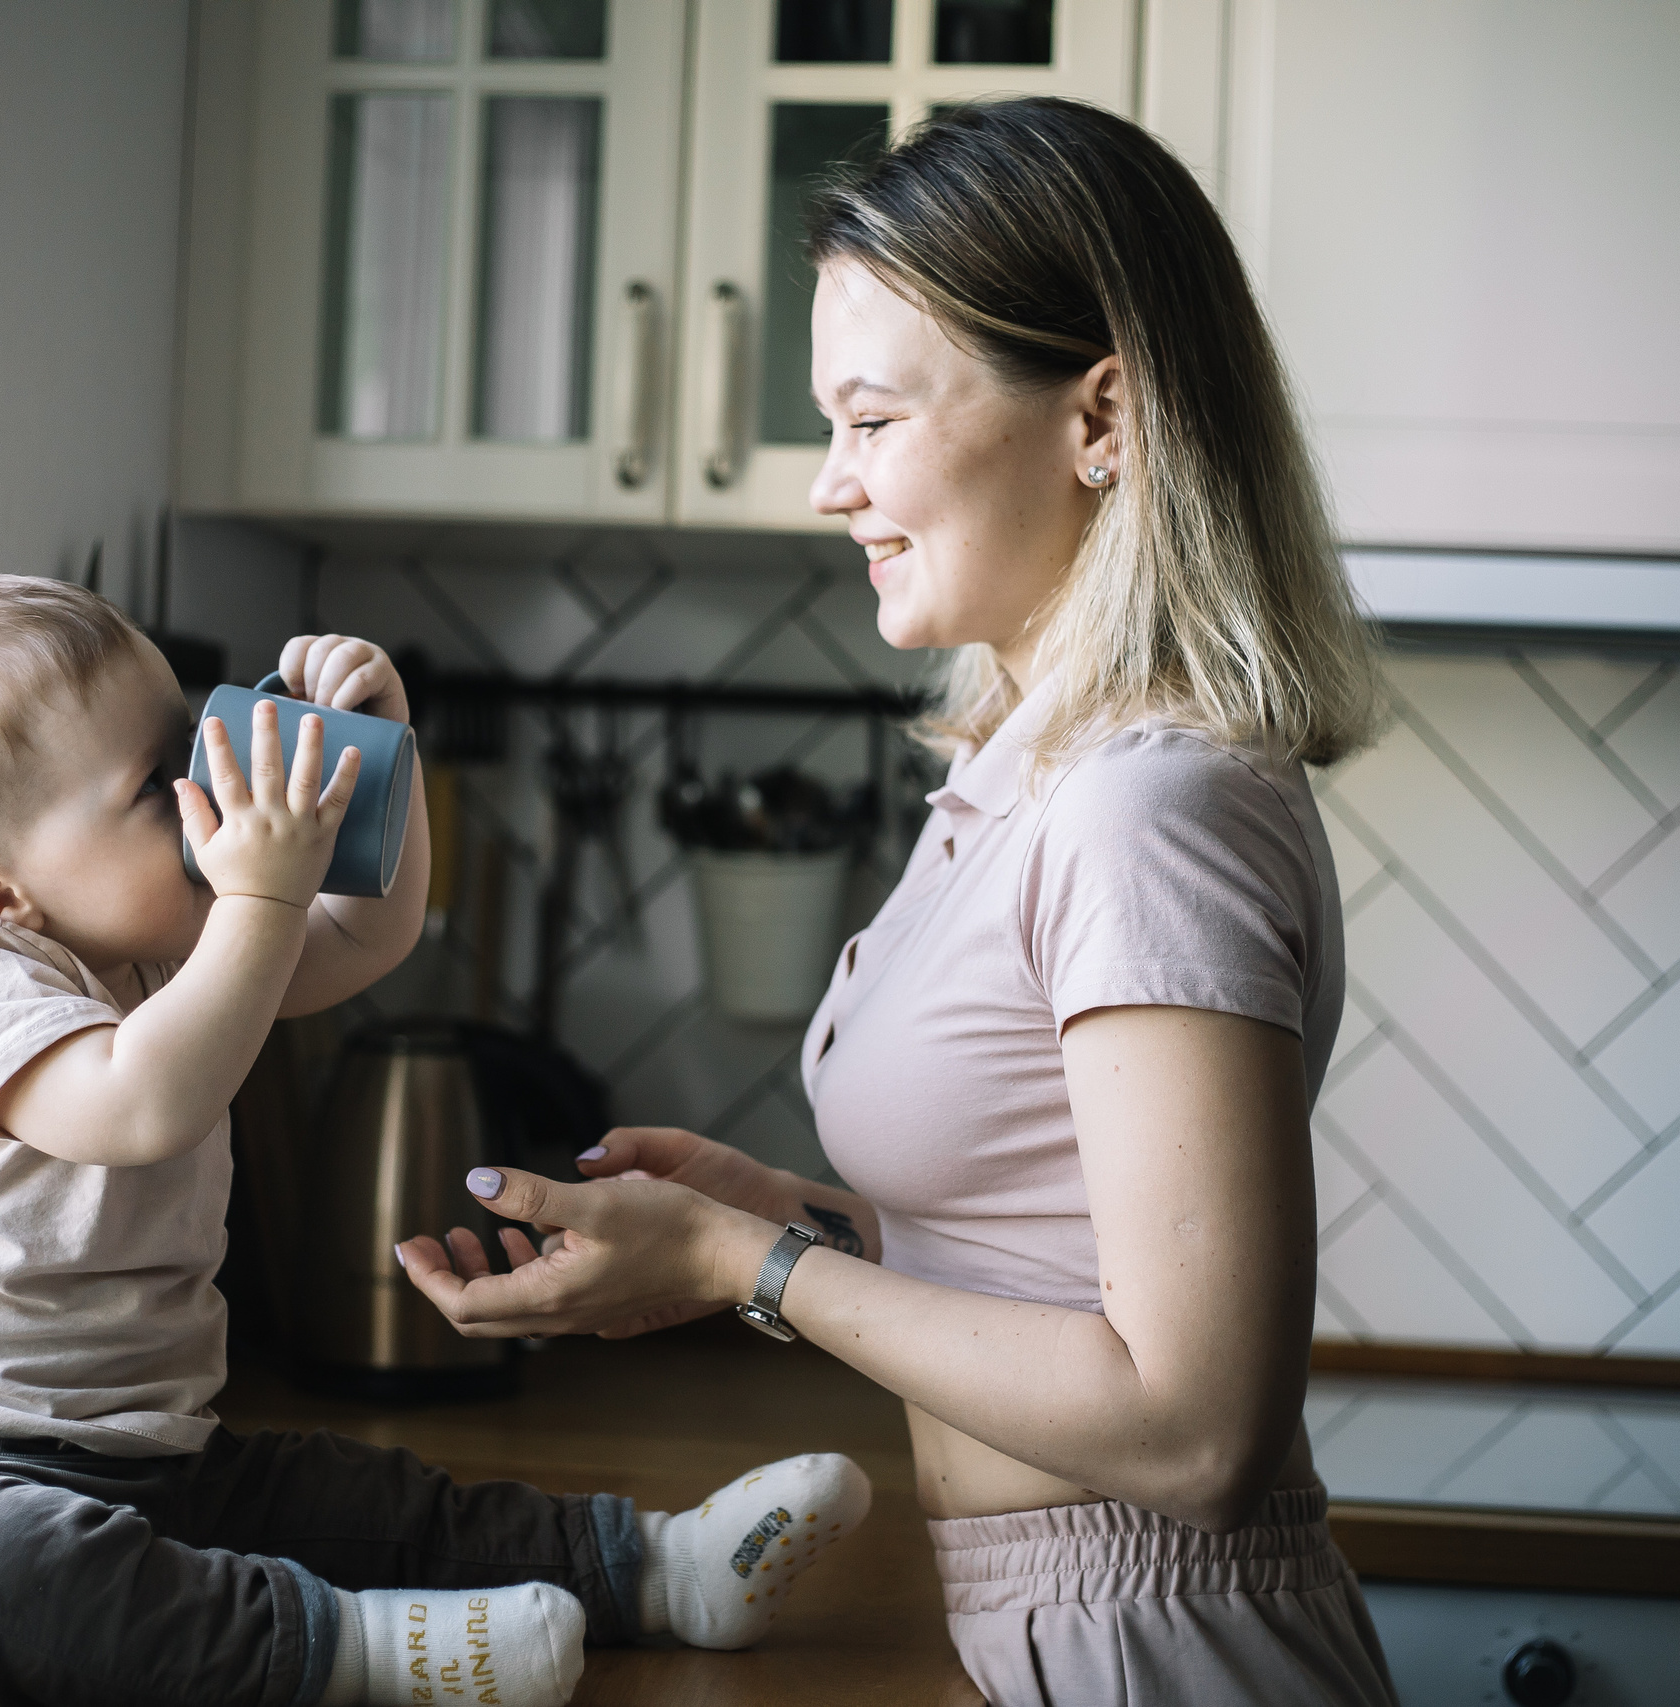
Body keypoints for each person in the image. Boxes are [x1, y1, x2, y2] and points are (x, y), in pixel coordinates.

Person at [398, 98, 1399, 1706]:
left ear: (1104, 417)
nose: (824, 485)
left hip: (1162, 1645)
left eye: (869, 420)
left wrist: (747, 1265)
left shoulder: (1149, 807)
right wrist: (774, 1217)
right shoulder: (1019, 776)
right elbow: (1037, 1263)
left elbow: (1195, 1427)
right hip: (1043, 1625)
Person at [0, 575, 871, 1707]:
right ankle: (355, 1654)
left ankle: (655, 1572)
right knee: (9, 1583)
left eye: (192, 746)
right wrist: (258, 903)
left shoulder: (165, 955)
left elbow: (364, 938)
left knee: (363, 1503)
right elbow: (139, 1103)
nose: (207, 792)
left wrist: (385, 752)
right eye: (155, 787)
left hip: (156, 1461)